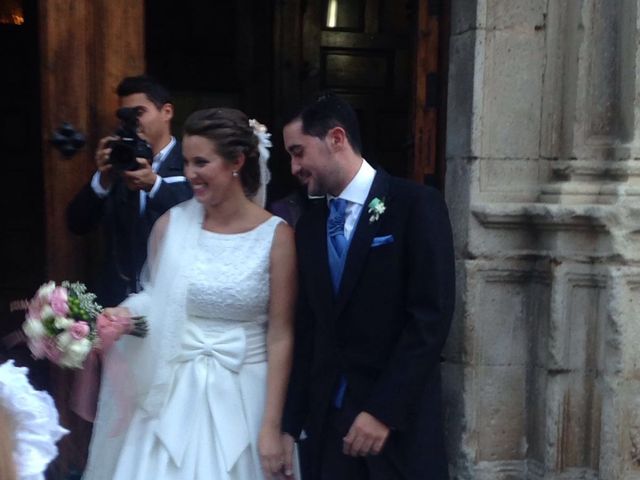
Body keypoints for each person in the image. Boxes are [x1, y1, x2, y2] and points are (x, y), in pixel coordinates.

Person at [82, 108, 297, 480]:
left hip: (247, 392)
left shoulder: (277, 237)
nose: (191, 174)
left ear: (237, 162)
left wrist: (271, 426)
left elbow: (280, 335)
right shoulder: (170, 225)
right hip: (173, 391)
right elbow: (156, 300)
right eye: (186, 162)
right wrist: (125, 316)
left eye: (202, 162)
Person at [281, 92, 455, 480]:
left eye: (298, 152)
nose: (293, 167)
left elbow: (430, 318)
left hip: (397, 428)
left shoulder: (415, 206)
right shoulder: (308, 225)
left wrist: (382, 412)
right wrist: (291, 425)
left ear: (336, 139)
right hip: (329, 430)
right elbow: (309, 330)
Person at [67, 75, 192, 307]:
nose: (133, 122)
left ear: (167, 112)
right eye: (126, 116)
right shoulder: (118, 161)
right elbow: (77, 223)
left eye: (139, 112)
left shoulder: (190, 160)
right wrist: (102, 180)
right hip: (118, 299)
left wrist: (154, 185)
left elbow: (199, 215)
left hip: (174, 297)